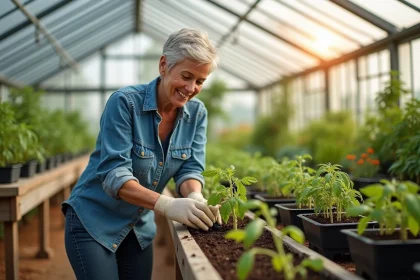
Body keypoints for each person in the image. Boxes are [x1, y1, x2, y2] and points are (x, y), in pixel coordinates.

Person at [62, 28, 221, 280]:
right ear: (163, 65)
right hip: (93, 222)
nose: (191, 88)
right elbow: (115, 175)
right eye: (186, 76)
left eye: (200, 81)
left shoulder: (197, 113)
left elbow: (190, 166)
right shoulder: (125, 103)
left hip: (137, 228)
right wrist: (167, 204)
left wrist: (195, 195)